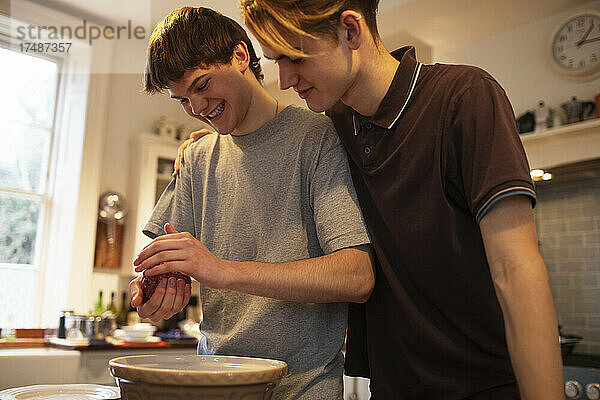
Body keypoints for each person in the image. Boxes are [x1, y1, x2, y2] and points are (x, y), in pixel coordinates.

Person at [175, 0, 564, 398]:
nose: (286, 78)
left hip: (482, 385)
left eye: (294, 58)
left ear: (350, 30)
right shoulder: (336, 126)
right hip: (391, 385)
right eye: (276, 60)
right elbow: (271, 133)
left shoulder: (464, 97)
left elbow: (516, 270)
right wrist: (224, 138)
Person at [129, 6, 374, 399]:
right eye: (182, 100)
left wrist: (222, 271)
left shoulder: (318, 137)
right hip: (210, 384)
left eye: (202, 85)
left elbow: (357, 276)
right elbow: (155, 269)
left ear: (241, 57)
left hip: (303, 389)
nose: (196, 108)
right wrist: (149, 295)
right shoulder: (196, 156)